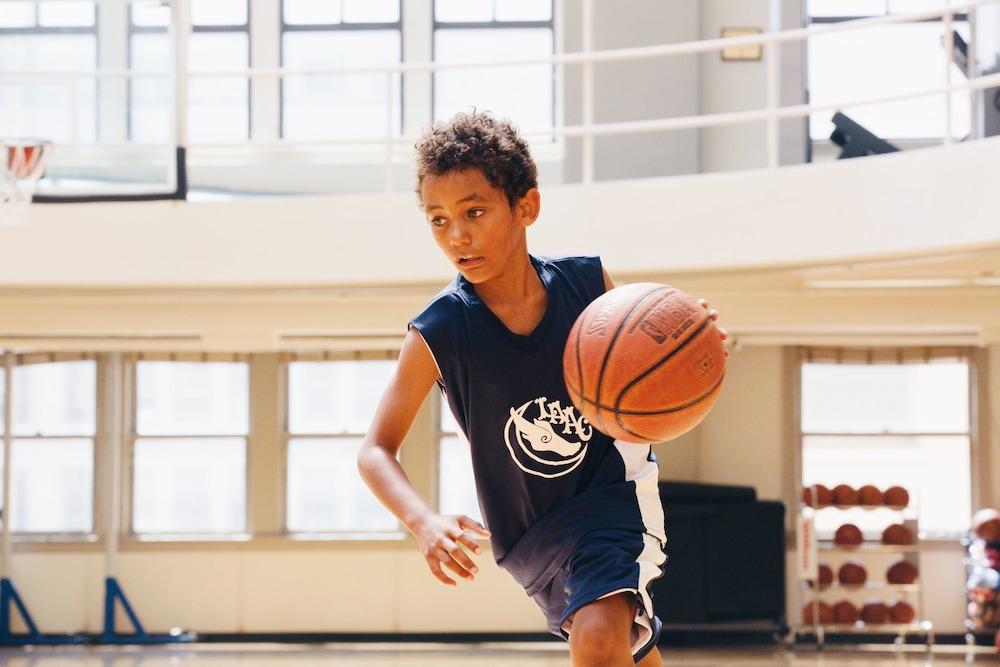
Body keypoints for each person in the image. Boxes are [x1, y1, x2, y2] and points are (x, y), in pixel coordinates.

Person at [357, 111, 727, 666]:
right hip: (528, 538)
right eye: (438, 220)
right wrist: (423, 521)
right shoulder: (439, 330)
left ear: (526, 206)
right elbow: (375, 450)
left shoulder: (585, 283)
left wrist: (688, 343)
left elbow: (645, 356)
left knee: (600, 637)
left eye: (474, 212)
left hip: (612, 497)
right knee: (621, 646)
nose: (457, 235)